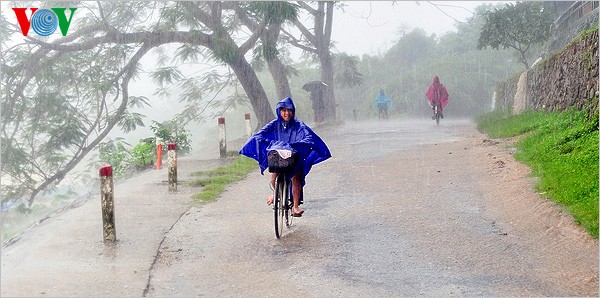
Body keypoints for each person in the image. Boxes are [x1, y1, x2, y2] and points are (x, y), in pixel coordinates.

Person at [239, 97, 331, 217]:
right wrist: (263, 140)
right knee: (274, 175)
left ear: (293, 111)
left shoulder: (299, 125)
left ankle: (295, 207)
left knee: (296, 177)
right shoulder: (274, 124)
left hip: (294, 156)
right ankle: (276, 194)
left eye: (289, 110)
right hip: (278, 156)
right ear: (279, 111)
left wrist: (299, 144)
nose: (286, 113)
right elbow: (261, 133)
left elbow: (308, 136)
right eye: (283, 110)